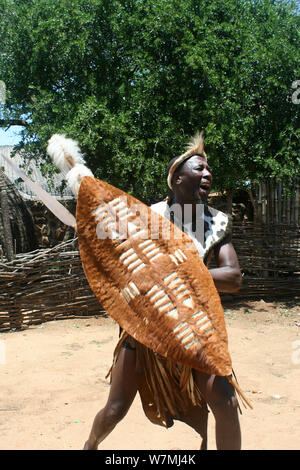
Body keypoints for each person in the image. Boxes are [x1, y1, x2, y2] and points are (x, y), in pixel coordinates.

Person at [83, 131, 244, 450]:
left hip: (196, 331)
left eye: (209, 170)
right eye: (199, 168)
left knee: (226, 404)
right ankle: (90, 446)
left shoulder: (216, 222)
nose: (208, 174)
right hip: (147, 332)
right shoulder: (147, 218)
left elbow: (233, 277)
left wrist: (187, 274)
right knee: (115, 410)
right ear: (177, 178)